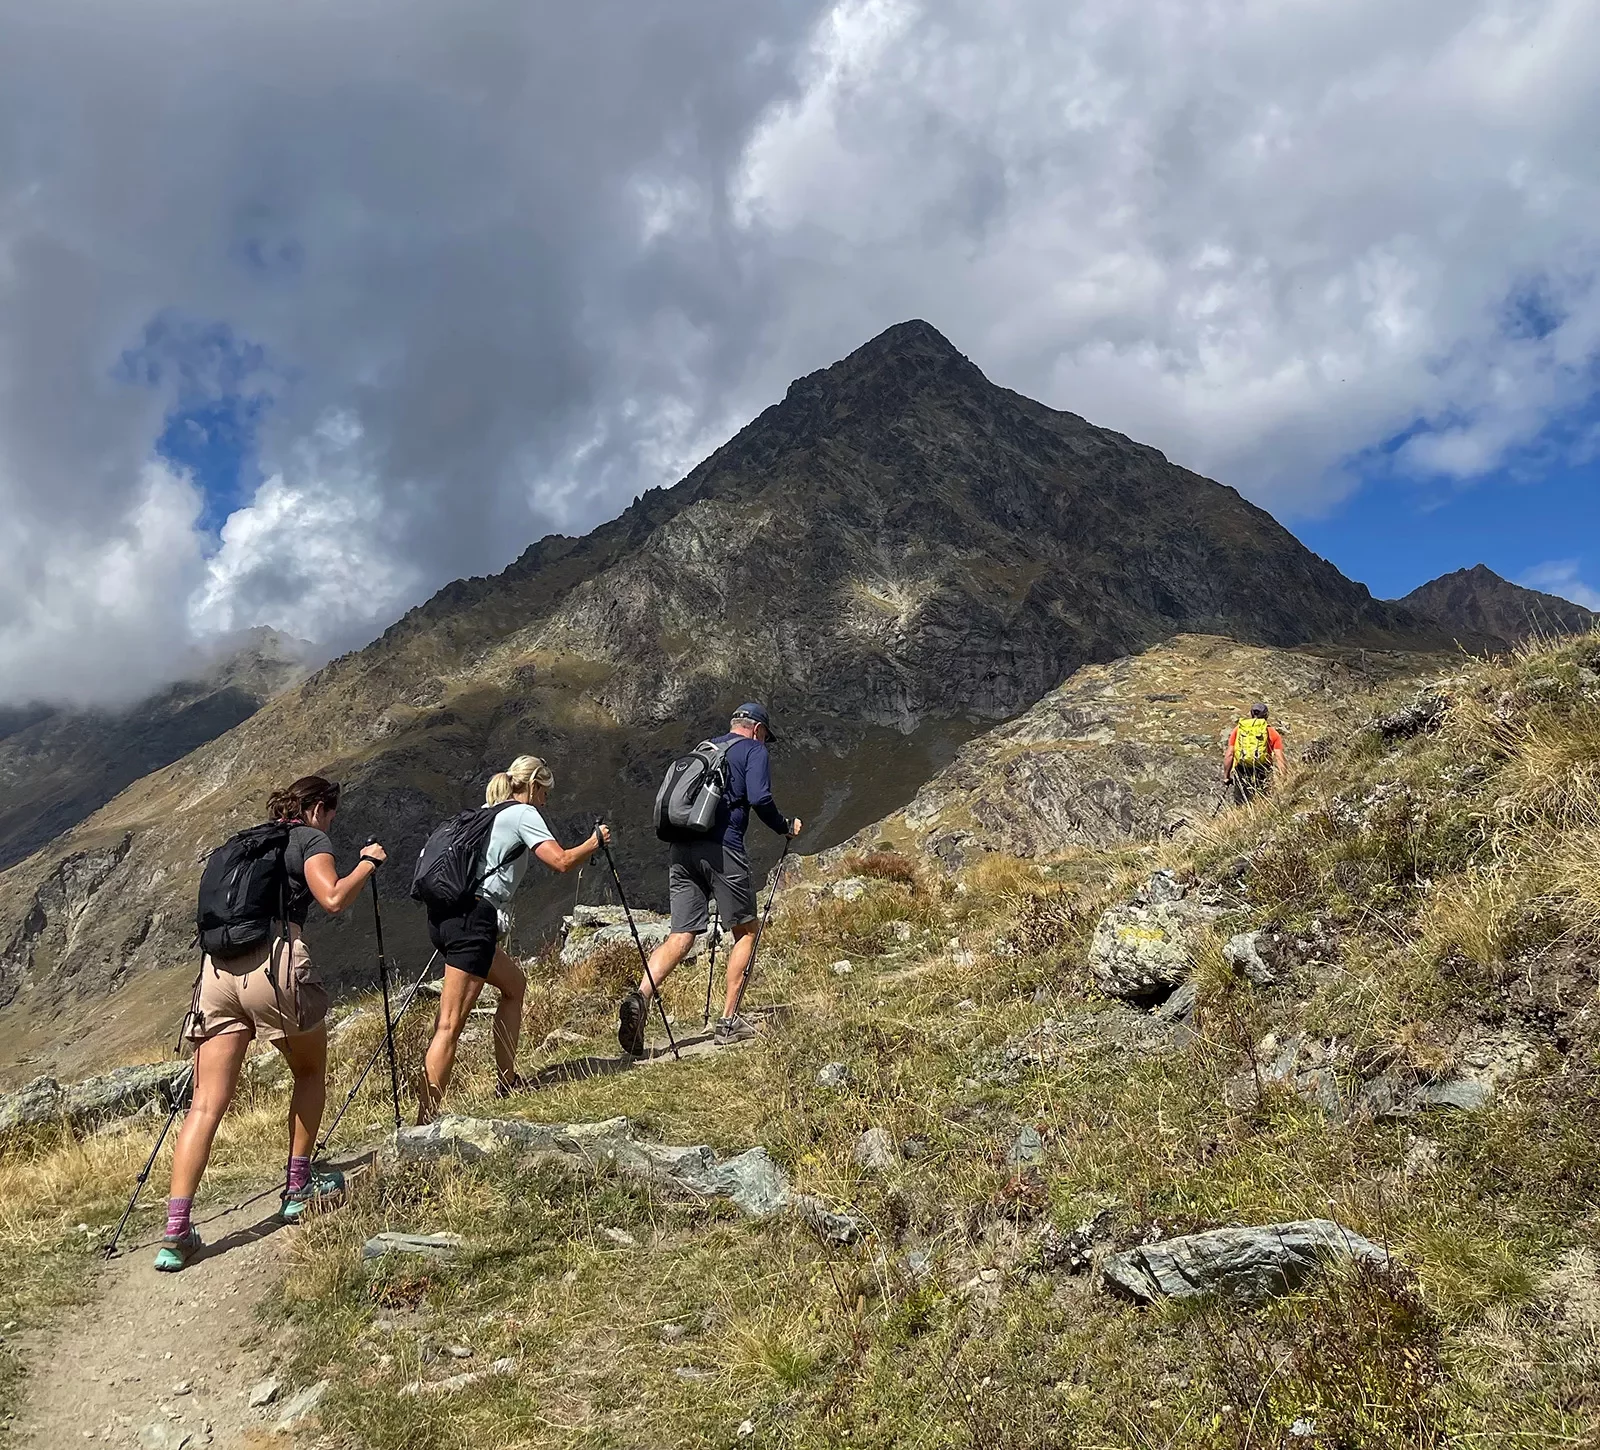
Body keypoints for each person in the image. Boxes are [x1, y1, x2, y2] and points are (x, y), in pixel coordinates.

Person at [155, 776, 385, 1272]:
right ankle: (297, 1187)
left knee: (205, 1105)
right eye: (332, 813)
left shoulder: (244, 844)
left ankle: (176, 1232)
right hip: (274, 965)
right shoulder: (310, 838)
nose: (332, 822)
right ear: (320, 808)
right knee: (308, 1073)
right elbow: (333, 898)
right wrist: (366, 863)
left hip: (215, 974)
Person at [417, 754, 610, 1123]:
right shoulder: (523, 814)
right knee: (450, 1024)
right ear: (535, 785)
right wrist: (594, 842)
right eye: (545, 792)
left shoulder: (487, 812)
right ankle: (425, 1122)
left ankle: (507, 1080)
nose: (546, 801)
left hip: (448, 917)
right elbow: (561, 862)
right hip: (473, 921)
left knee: (515, 986)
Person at [620, 702, 802, 1053]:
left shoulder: (706, 748)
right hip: (721, 849)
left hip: (682, 849)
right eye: (765, 737)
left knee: (680, 936)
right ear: (759, 729)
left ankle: (641, 997)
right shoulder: (753, 750)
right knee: (746, 931)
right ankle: (729, 1021)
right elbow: (760, 798)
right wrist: (785, 827)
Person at [1224, 703, 1287, 804]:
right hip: (1262, 769)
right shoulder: (1271, 732)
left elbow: (1230, 754)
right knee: (1262, 800)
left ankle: (1241, 818)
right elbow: (1279, 757)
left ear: (1251, 714)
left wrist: (1226, 776)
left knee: (1241, 803)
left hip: (1242, 768)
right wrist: (1284, 778)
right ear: (1266, 716)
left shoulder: (1239, 729)